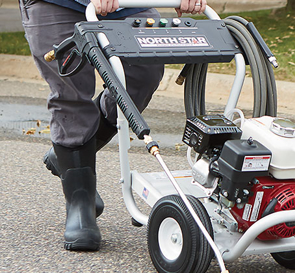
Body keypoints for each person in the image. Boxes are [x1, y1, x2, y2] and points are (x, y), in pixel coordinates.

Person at [19, 0, 207, 251]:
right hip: (56, 4)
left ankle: (68, 157)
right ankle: (80, 203)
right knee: (71, 90)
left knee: (143, 74)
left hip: (125, 3)